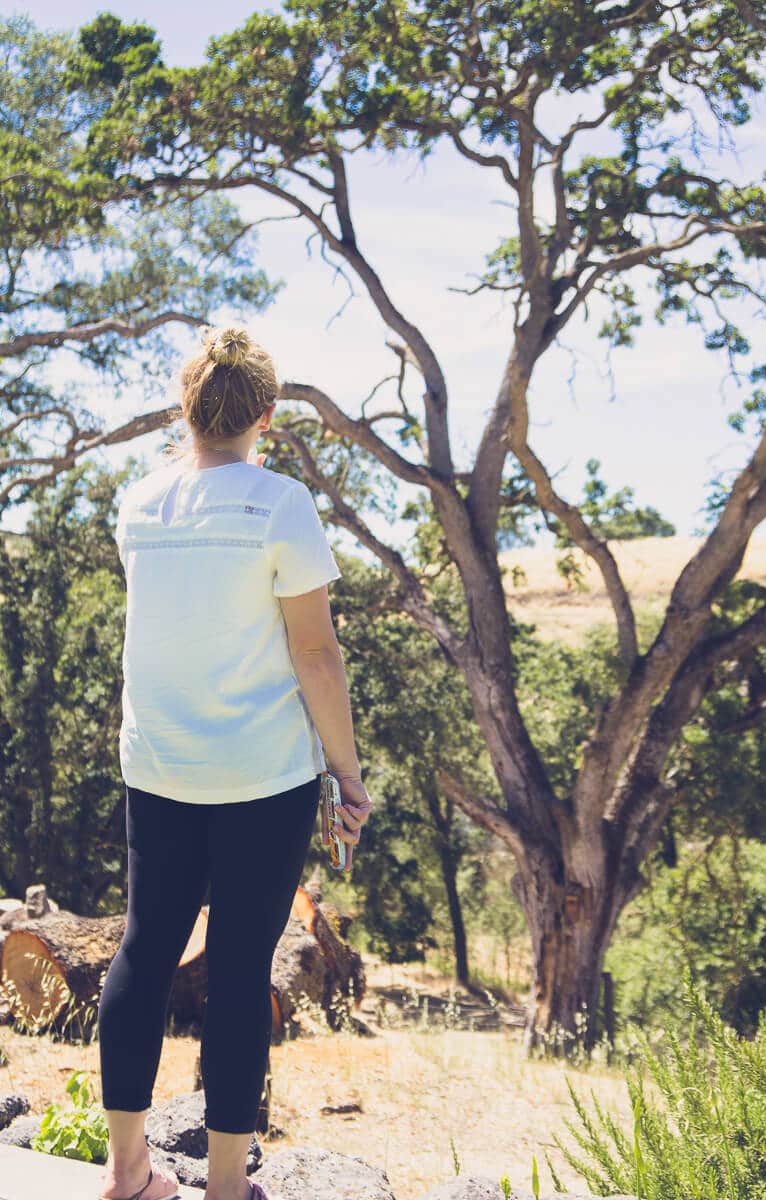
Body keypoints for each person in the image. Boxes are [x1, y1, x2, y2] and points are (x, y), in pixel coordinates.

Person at [97, 326, 372, 1200]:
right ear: (266, 415)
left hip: (161, 769)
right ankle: (225, 1188)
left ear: (187, 408)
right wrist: (349, 776)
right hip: (262, 779)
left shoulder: (138, 504)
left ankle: (128, 1173)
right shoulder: (281, 504)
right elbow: (317, 656)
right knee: (245, 968)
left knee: (144, 951)